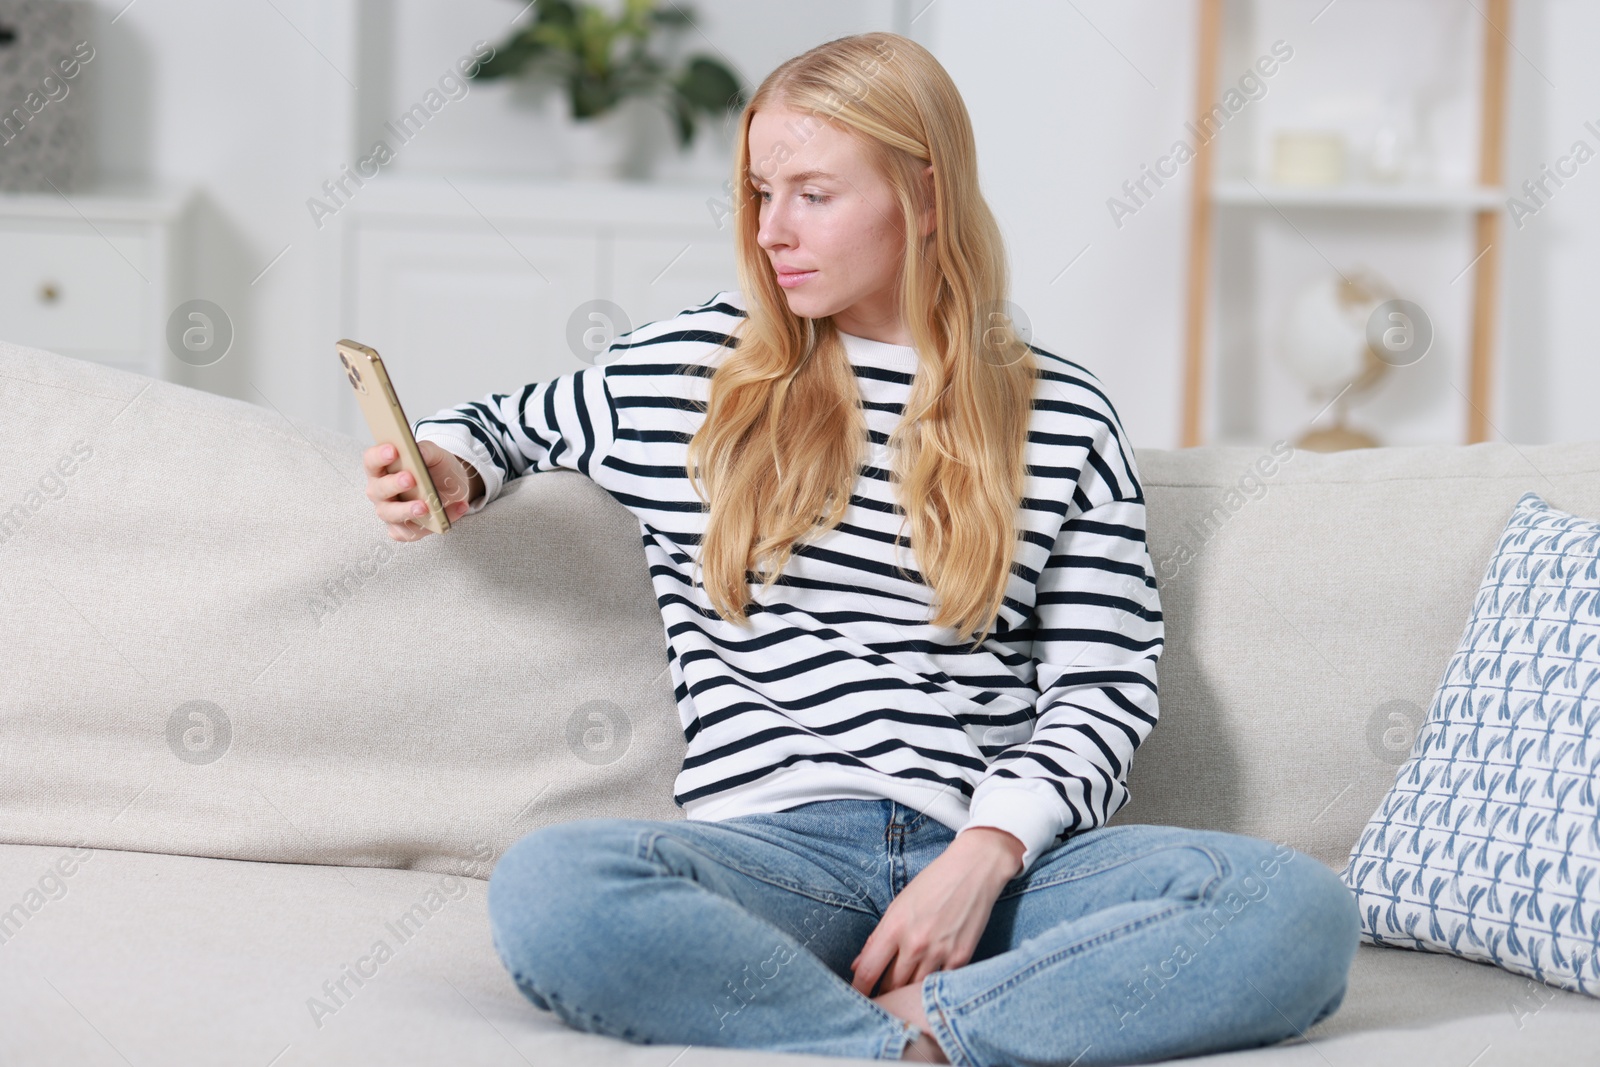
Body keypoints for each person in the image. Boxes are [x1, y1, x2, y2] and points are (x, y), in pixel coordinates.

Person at [361, 30, 1358, 1067]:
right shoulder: (689, 370)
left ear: (924, 196)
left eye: (812, 194)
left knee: (1291, 911)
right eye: (758, 191)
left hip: (1002, 861)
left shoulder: (1059, 413)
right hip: (773, 856)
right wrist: (448, 465)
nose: (770, 230)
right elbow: (498, 425)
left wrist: (983, 854)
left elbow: (1103, 682)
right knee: (553, 887)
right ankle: (896, 1045)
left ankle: (932, 1018)